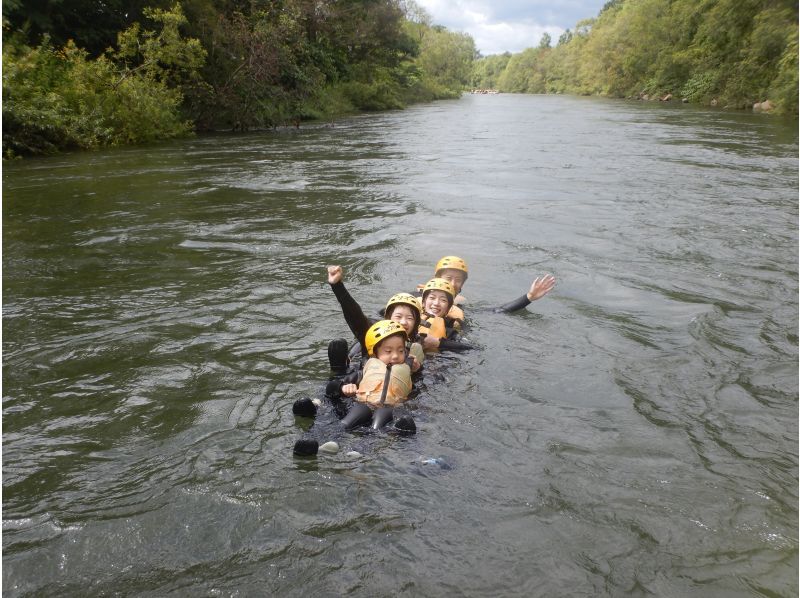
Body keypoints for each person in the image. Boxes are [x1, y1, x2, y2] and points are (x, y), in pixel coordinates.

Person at [293, 320, 417, 456]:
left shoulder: (407, 375)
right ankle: (318, 442)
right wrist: (343, 388)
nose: (395, 356)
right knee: (354, 415)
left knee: (384, 416)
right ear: (374, 354)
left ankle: (361, 449)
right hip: (362, 406)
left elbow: (413, 397)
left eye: (400, 350)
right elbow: (332, 386)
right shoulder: (365, 371)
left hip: (386, 411)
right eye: (388, 351)